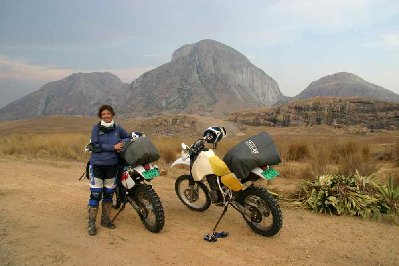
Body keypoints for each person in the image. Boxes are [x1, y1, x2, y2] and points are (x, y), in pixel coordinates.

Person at [87, 104, 130, 236]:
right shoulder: (96, 128)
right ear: (101, 115)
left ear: (112, 114)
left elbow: (128, 136)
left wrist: (121, 144)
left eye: (108, 113)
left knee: (109, 193)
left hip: (112, 165)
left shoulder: (117, 128)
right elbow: (95, 145)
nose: (106, 116)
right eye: (103, 114)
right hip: (97, 164)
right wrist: (113, 147)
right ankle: (91, 223)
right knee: (95, 194)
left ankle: (105, 220)